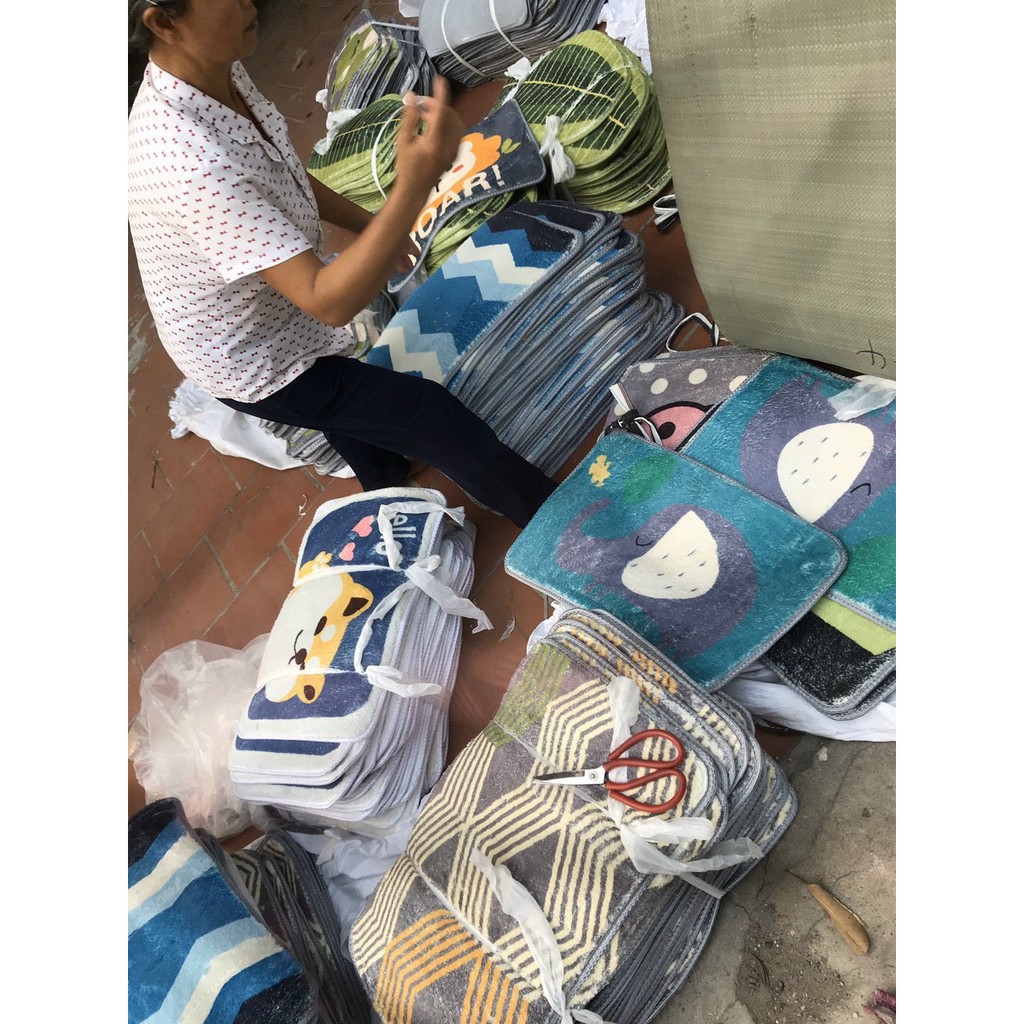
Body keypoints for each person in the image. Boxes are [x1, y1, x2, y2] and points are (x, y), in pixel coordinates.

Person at [128, 0, 558, 527]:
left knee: (350, 412)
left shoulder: (214, 68)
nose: (248, 2)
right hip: (250, 359)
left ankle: (385, 479)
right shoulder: (192, 163)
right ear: (163, 22)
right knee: (429, 415)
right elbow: (327, 301)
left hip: (267, 321)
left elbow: (282, 177)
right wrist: (415, 181)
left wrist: (369, 225)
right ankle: (553, 524)